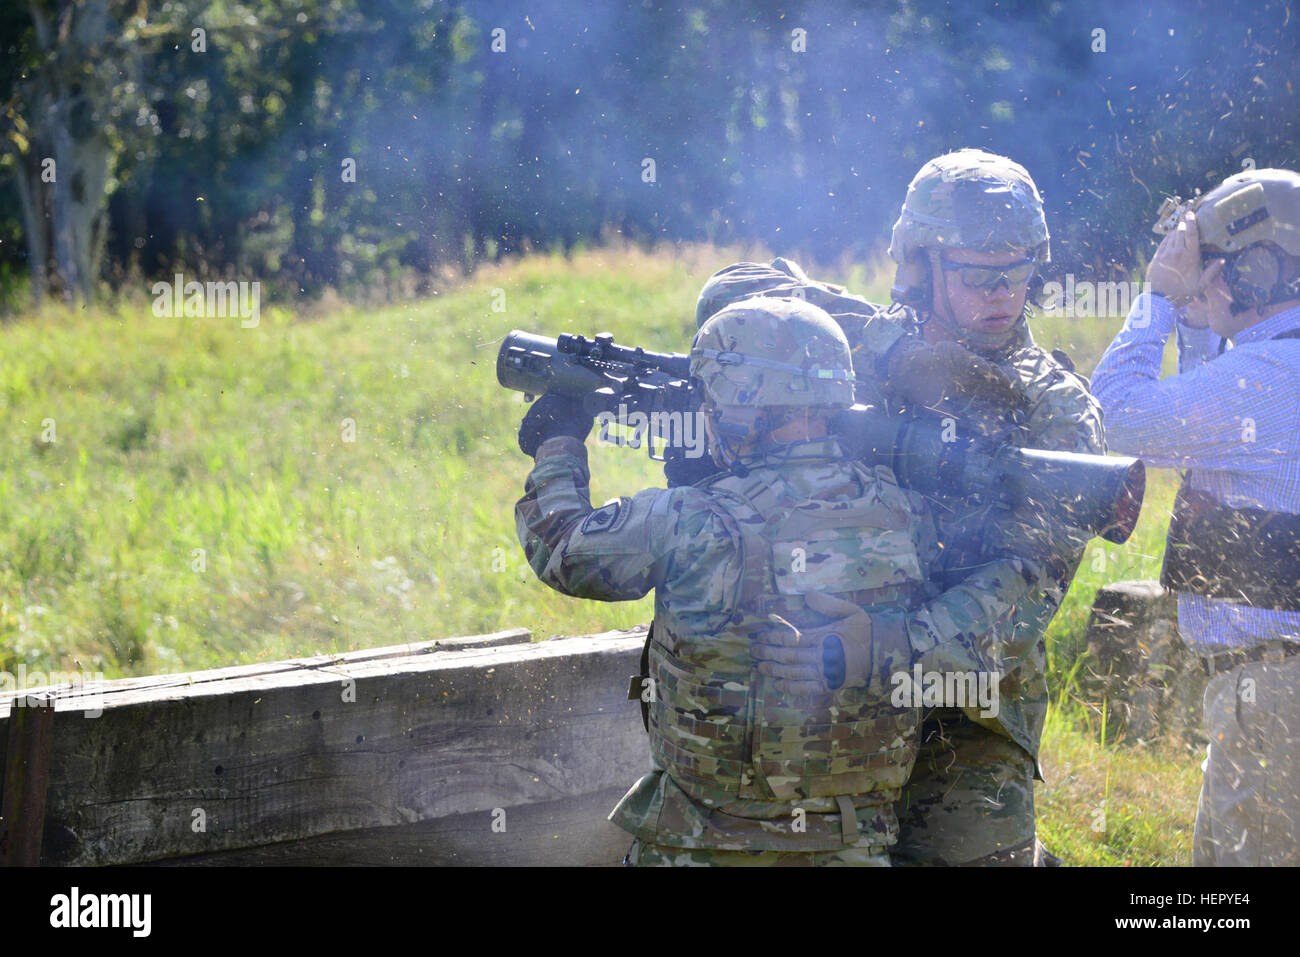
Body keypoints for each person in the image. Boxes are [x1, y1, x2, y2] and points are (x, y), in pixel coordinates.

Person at [687, 148, 1105, 865]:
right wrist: (894, 352)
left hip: (960, 709)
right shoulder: (854, 346)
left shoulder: (1057, 416)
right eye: (978, 274)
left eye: (1019, 271)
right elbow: (733, 291)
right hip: (813, 684)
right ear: (920, 262)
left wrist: (889, 648)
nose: (1003, 293)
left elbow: (1022, 595)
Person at [515, 296, 931, 865]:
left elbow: (562, 549)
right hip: (857, 845)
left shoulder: (690, 519)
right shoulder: (906, 511)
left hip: (708, 845)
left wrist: (557, 442)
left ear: (738, 405)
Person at [1090, 168, 1300, 867]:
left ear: (1262, 267)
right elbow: (1207, 412)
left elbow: (1115, 417)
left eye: (1212, 264)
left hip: (1272, 695)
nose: (1198, 278)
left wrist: (1155, 300)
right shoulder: (1273, 366)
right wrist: (1196, 316)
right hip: (1260, 690)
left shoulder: (1273, 377)